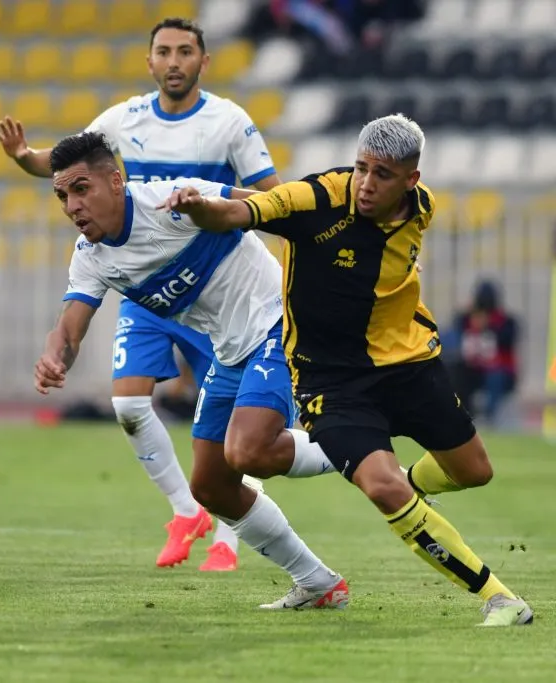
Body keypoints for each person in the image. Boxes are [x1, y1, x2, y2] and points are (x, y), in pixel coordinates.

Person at [160, 113, 533, 626]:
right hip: (330, 381)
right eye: (361, 168)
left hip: (409, 365)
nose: (366, 183)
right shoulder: (315, 199)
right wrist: (201, 209)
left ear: (411, 180)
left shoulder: (420, 209)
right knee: (381, 489)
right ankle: (499, 597)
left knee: (474, 472)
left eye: (382, 174)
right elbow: (239, 212)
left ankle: (404, 483)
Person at [0, 17, 286, 571]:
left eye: (184, 51)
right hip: (146, 287)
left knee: (230, 425)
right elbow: (66, 163)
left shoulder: (229, 121)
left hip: (217, 283)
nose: (173, 61)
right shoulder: (120, 121)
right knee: (128, 402)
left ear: (203, 62)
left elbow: (269, 197)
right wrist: (22, 157)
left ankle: (229, 533)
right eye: (163, 52)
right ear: (149, 62)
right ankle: (186, 510)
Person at [36, 131, 347, 609]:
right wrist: (56, 356)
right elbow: (70, 328)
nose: (72, 205)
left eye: (81, 188)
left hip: (278, 322)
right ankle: (318, 582)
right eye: (62, 195)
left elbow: (274, 206)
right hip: (229, 349)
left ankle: (358, 445)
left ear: (115, 181)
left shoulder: (172, 201)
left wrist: (343, 250)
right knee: (210, 487)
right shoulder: (91, 259)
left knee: (250, 450)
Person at [447, 280, 518, 426]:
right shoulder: (465, 319)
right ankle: (463, 414)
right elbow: (456, 334)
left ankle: (489, 418)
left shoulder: (507, 322)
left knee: (495, 377)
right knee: (455, 370)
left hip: (497, 371)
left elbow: (506, 339)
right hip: (473, 368)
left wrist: (489, 326)